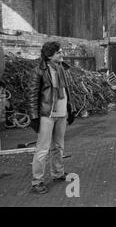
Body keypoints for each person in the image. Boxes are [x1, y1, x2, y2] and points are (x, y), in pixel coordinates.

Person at [27, 41, 76, 194]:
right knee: (43, 149)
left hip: (61, 114)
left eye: (61, 52)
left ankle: (58, 173)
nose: (62, 54)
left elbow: (68, 92)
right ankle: (37, 182)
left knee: (59, 146)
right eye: (58, 52)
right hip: (47, 115)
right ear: (49, 55)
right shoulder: (39, 71)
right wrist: (34, 117)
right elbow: (32, 95)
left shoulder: (62, 69)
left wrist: (71, 110)